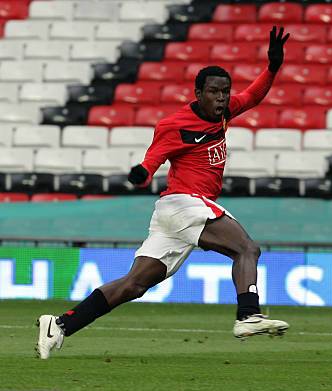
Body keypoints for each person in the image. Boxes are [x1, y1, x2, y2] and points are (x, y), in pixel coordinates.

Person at [36, 26, 291, 360]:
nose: (222, 98)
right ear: (198, 93)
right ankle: (248, 315)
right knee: (247, 248)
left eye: (225, 92)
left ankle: (59, 325)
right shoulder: (176, 124)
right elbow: (153, 159)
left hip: (177, 216)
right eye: (214, 92)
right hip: (184, 204)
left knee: (134, 284)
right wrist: (141, 173)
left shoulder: (225, 114)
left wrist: (272, 67)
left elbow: (254, 95)